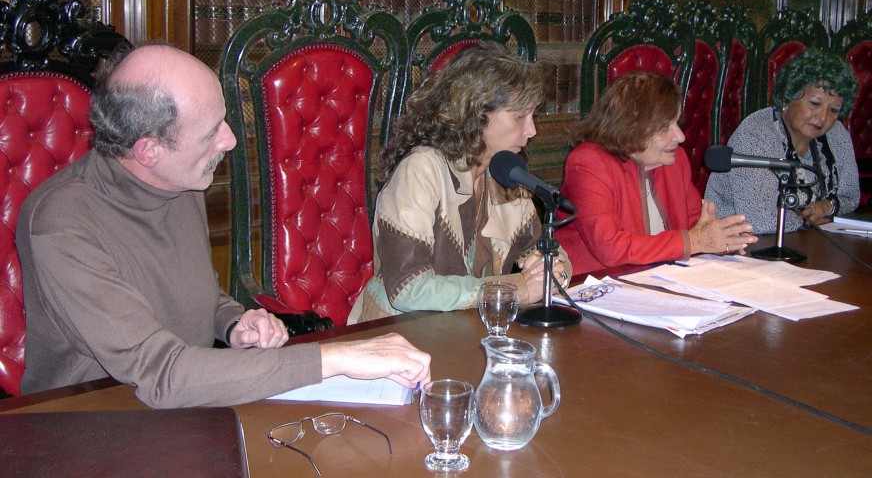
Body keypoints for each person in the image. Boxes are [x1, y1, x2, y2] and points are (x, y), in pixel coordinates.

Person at [17, 43, 430, 408]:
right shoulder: (61, 225)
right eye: (212, 131)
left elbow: (190, 293)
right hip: (90, 422)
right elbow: (160, 375)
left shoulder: (181, 180)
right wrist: (339, 357)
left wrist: (233, 322)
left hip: (190, 407)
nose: (230, 140)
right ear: (149, 151)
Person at [348, 43, 570, 323]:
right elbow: (407, 290)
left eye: (532, 116)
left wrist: (549, 269)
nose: (532, 130)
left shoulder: (505, 172)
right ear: (475, 114)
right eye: (519, 116)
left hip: (468, 330)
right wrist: (516, 289)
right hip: (396, 334)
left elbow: (547, 251)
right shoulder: (421, 170)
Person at [555, 71, 758, 275]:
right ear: (630, 128)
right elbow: (611, 248)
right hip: (593, 286)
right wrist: (696, 241)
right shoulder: (588, 163)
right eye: (664, 128)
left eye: (677, 123)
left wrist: (722, 235)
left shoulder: (675, 161)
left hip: (659, 280)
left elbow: (694, 225)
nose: (680, 137)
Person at [705, 49, 859, 233]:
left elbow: (851, 197)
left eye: (833, 110)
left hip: (805, 243)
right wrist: (815, 219)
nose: (823, 118)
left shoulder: (836, 135)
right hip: (739, 246)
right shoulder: (755, 135)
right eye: (814, 104)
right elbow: (761, 221)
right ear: (788, 97)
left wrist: (827, 208)